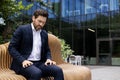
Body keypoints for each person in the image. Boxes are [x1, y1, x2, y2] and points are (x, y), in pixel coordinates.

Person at [8, 9, 64, 80]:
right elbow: (11, 48)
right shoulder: (22, 30)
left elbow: (47, 50)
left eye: (43, 23)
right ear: (33, 18)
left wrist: (48, 59)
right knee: (36, 73)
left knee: (58, 70)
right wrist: (23, 60)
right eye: (39, 21)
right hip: (23, 64)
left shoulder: (44, 34)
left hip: (39, 63)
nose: (41, 24)